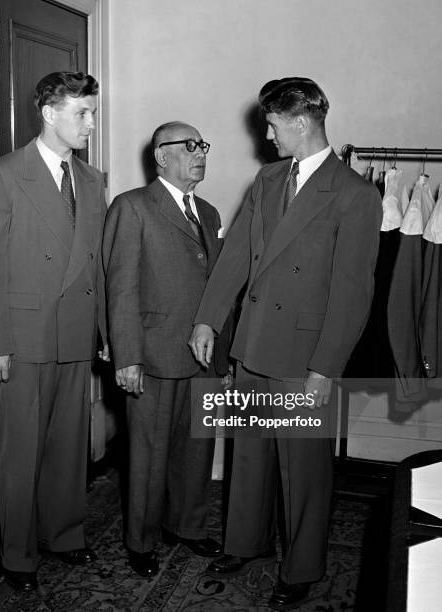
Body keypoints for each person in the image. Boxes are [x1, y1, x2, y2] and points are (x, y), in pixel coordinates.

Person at [189, 78, 382, 609]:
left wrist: (326, 368)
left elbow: (352, 295)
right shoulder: (268, 179)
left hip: (303, 356)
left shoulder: (355, 195)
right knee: (248, 458)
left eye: (272, 125)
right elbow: (235, 259)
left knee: (303, 471)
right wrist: (207, 319)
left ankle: (301, 568)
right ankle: (245, 542)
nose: (267, 135)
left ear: (300, 122)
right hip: (253, 344)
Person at [0, 71, 108, 591]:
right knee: (21, 451)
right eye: (82, 113)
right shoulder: (2, 175)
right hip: (23, 339)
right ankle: (19, 555)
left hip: (75, 331)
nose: (91, 123)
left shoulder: (92, 181)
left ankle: (66, 535)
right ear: (49, 113)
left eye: (92, 112)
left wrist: (107, 331)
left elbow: (96, 266)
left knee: (69, 446)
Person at [102, 121, 229, 578]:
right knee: (148, 455)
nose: (200, 153)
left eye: (203, 145)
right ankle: (142, 540)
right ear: (161, 156)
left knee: (196, 447)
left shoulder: (210, 213)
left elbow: (217, 285)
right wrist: (128, 356)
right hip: (152, 355)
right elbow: (120, 289)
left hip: (204, 356)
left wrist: (223, 352)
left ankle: (188, 527)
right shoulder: (132, 207)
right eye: (190, 146)